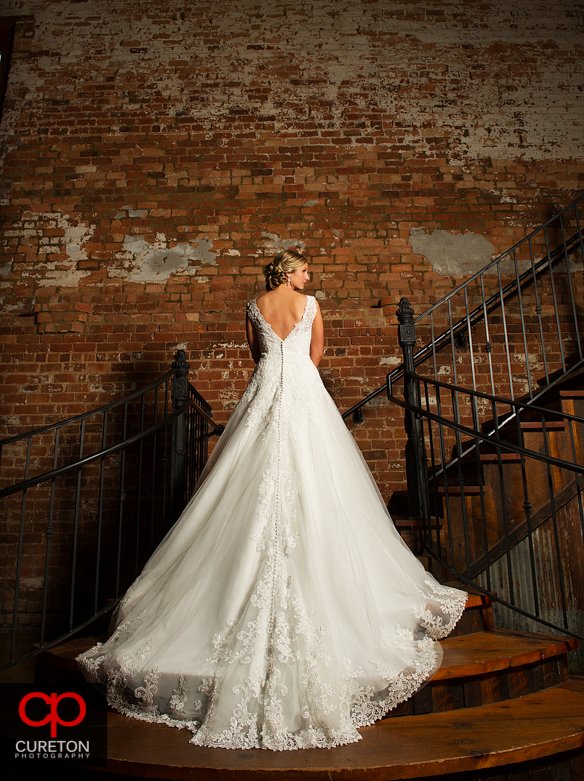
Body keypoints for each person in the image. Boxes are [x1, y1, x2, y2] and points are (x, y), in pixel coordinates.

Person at [77, 250, 466, 751]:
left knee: (244, 480)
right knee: (316, 479)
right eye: (304, 269)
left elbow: (255, 357)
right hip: (303, 391)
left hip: (265, 392)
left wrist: (277, 373)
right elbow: (315, 356)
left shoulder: (255, 306)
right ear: (290, 272)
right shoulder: (311, 304)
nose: (309, 276)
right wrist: (297, 376)